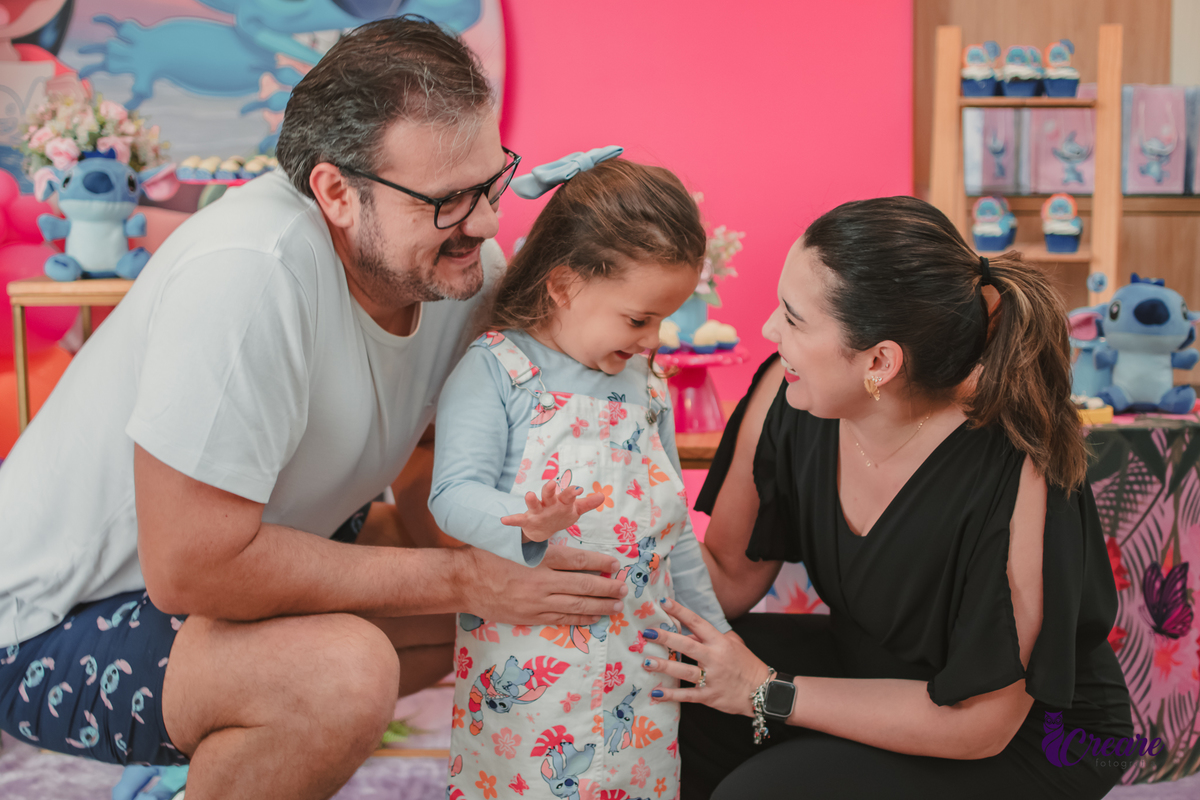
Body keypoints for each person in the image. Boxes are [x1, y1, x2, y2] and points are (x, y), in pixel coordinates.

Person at [0, 18, 628, 800]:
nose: (487, 223)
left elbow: (438, 472)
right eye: (447, 201)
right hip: (50, 623)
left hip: (227, 573)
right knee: (342, 674)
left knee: (513, 603)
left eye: (493, 179)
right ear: (335, 191)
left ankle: (200, 767)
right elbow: (192, 568)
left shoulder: (450, 270)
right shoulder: (249, 274)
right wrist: (469, 577)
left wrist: (520, 555)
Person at [634, 197, 1133, 799]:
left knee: (763, 793)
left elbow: (981, 724)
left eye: (793, 318)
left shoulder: (1019, 465)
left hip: (1030, 734)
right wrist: (608, 557)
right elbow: (730, 578)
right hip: (871, 667)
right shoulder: (787, 394)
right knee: (667, 680)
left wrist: (766, 689)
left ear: (879, 361)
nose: (769, 329)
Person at [429, 149, 731, 799]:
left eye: (665, 318)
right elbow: (452, 495)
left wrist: (720, 642)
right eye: (638, 318)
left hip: (639, 683)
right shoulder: (500, 371)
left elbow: (674, 532)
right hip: (529, 686)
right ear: (564, 286)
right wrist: (526, 527)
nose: (654, 339)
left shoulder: (647, 387)